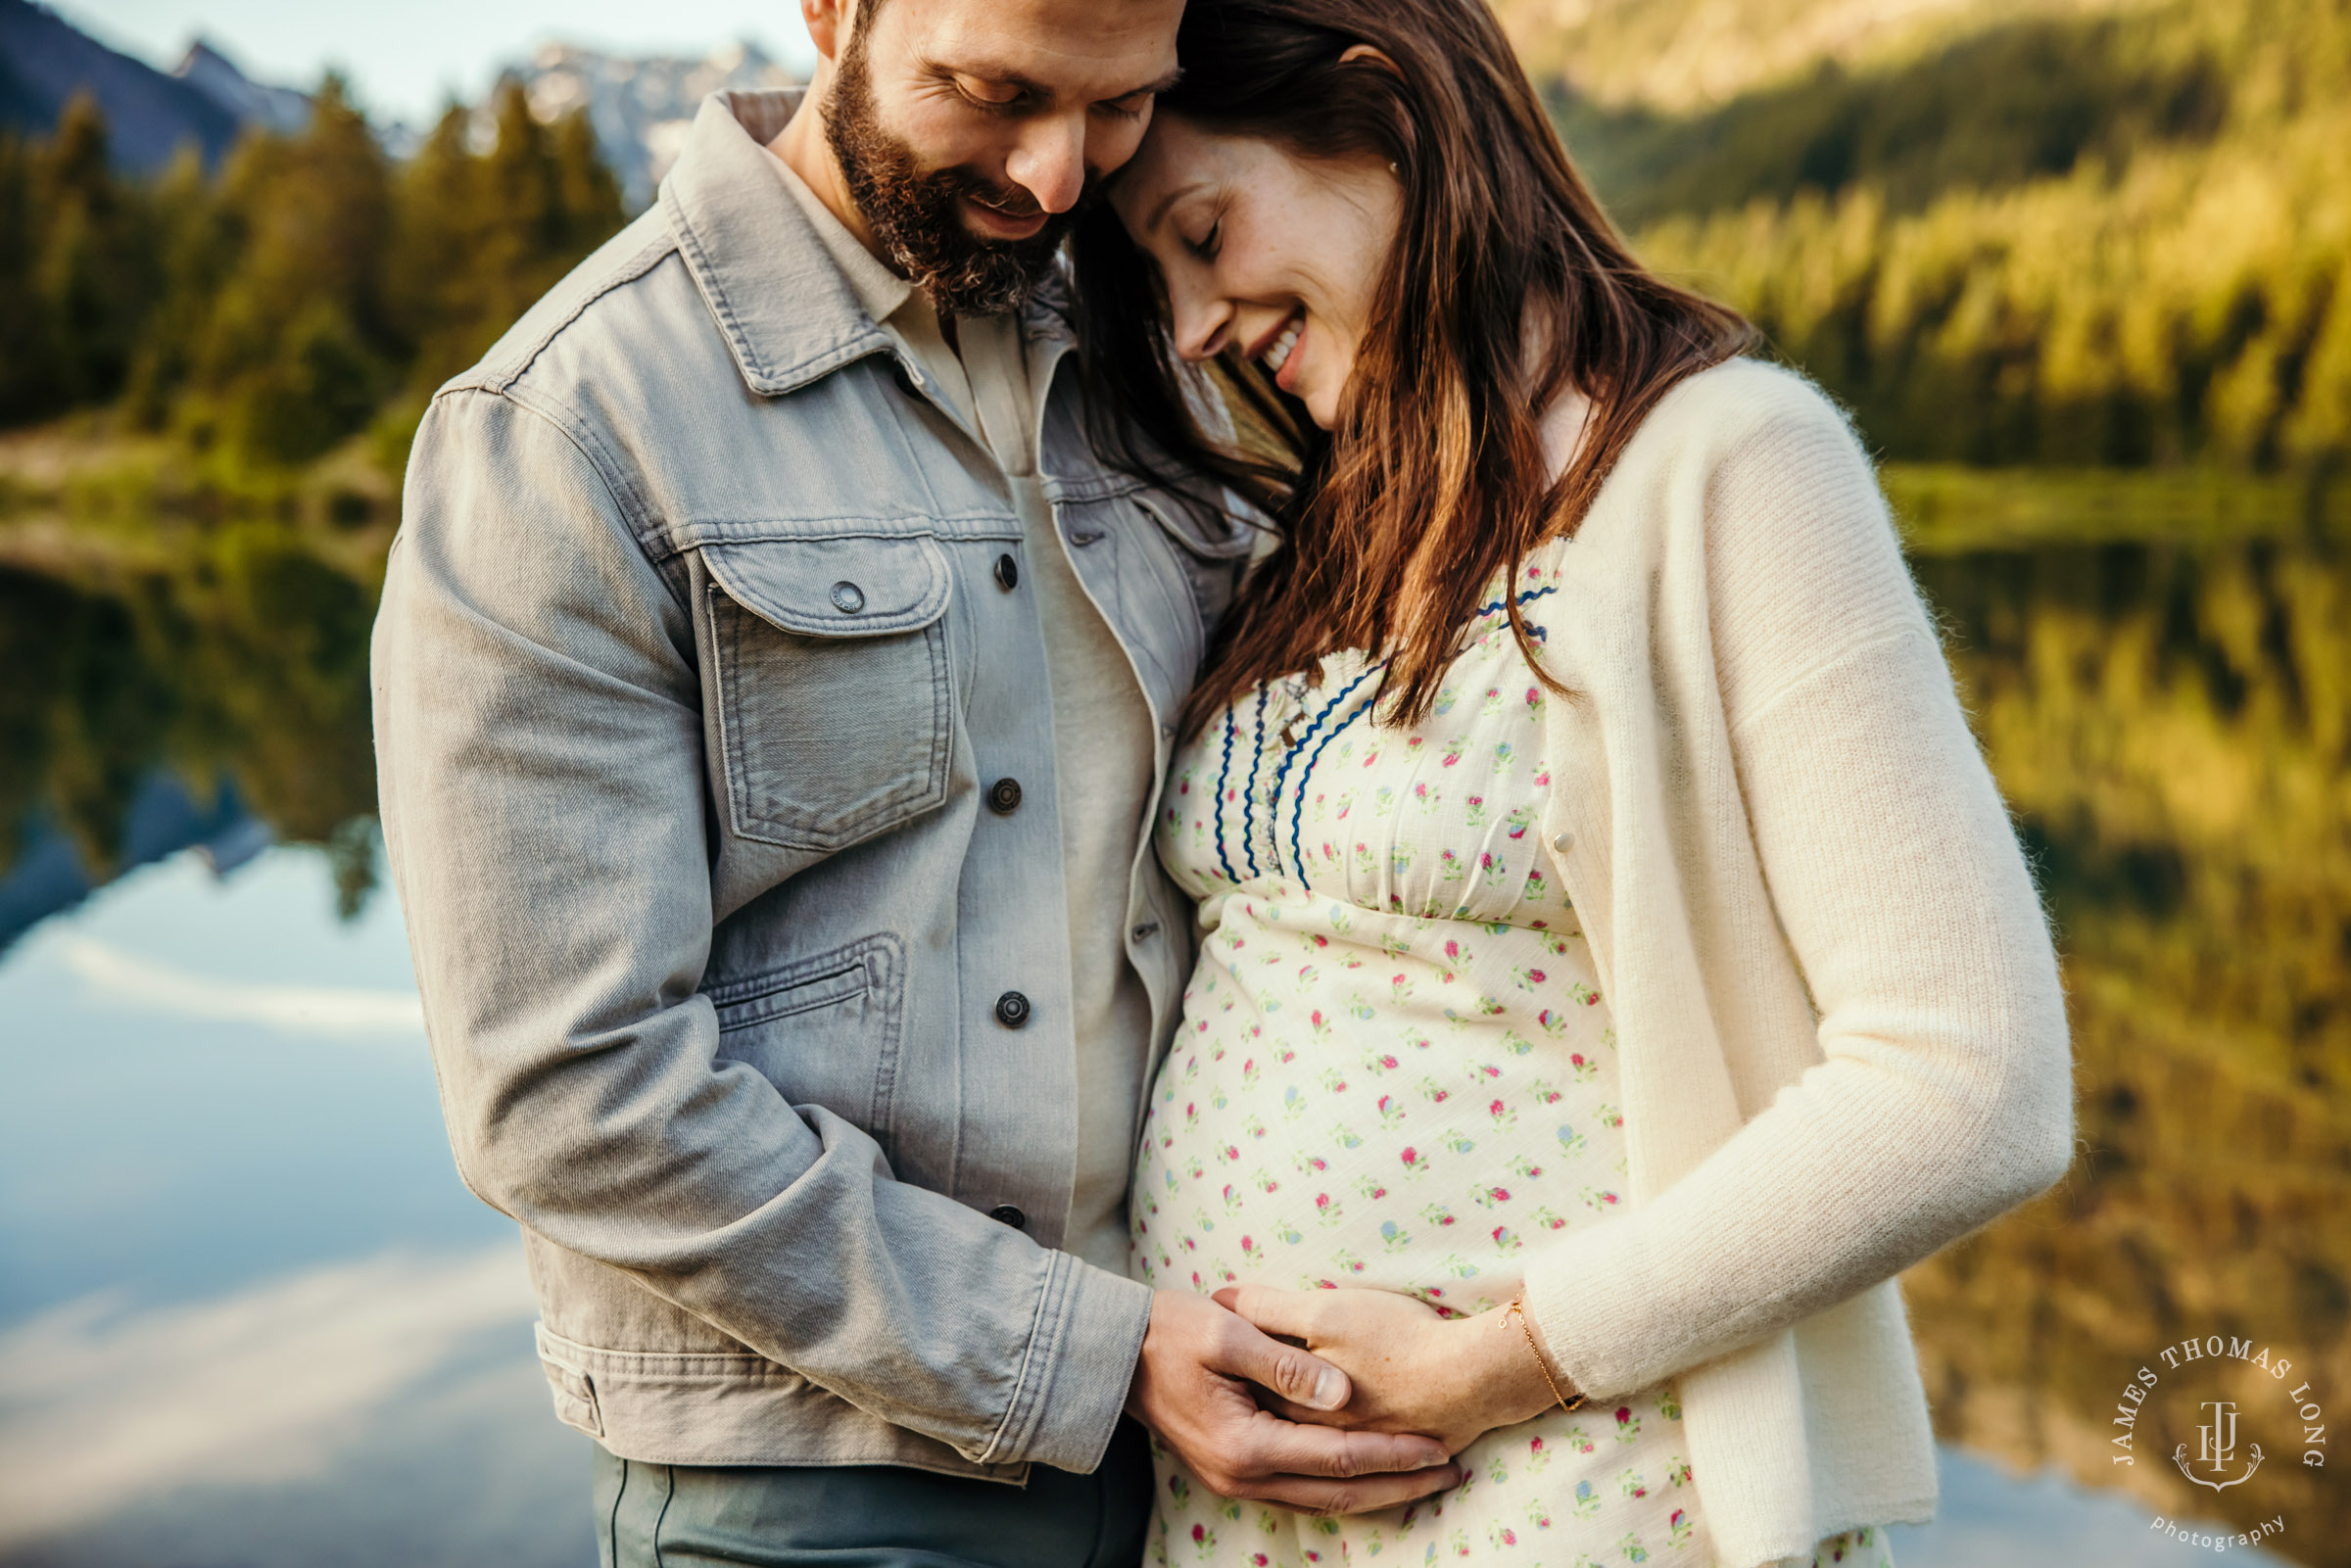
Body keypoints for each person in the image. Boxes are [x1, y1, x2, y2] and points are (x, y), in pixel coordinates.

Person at [371, 1, 1465, 1564]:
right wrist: (1088, 1353)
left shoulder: (1173, 345)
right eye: (995, 91)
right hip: (812, 1497)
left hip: (1207, 1474)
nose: (1056, 175)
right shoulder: (564, 429)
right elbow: (566, 1091)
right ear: (831, 11)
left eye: (1118, 108)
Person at [1071, 1, 2078, 1564]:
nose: (1194, 322)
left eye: (1204, 232)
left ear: (1384, 107)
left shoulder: (1730, 465)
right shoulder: (1332, 523)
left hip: (1577, 1489)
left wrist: (1495, 1361)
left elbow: (1971, 1082)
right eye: (1160, 276)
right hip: (1244, 1513)